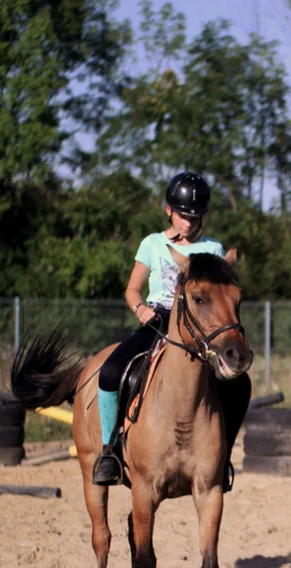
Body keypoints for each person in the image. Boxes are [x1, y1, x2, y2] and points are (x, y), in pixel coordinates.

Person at [90, 171, 251, 488]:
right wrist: (141, 310)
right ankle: (110, 451)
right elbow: (132, 290)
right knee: (110, 373)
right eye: (182, 216)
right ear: (168, 210)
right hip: (158, 320)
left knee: (240, 385)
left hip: (199, 327)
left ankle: (223, 457)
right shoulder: (152, 243)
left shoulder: (213, 249)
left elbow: (219, 297)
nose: (188, 223)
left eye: (195, 217)